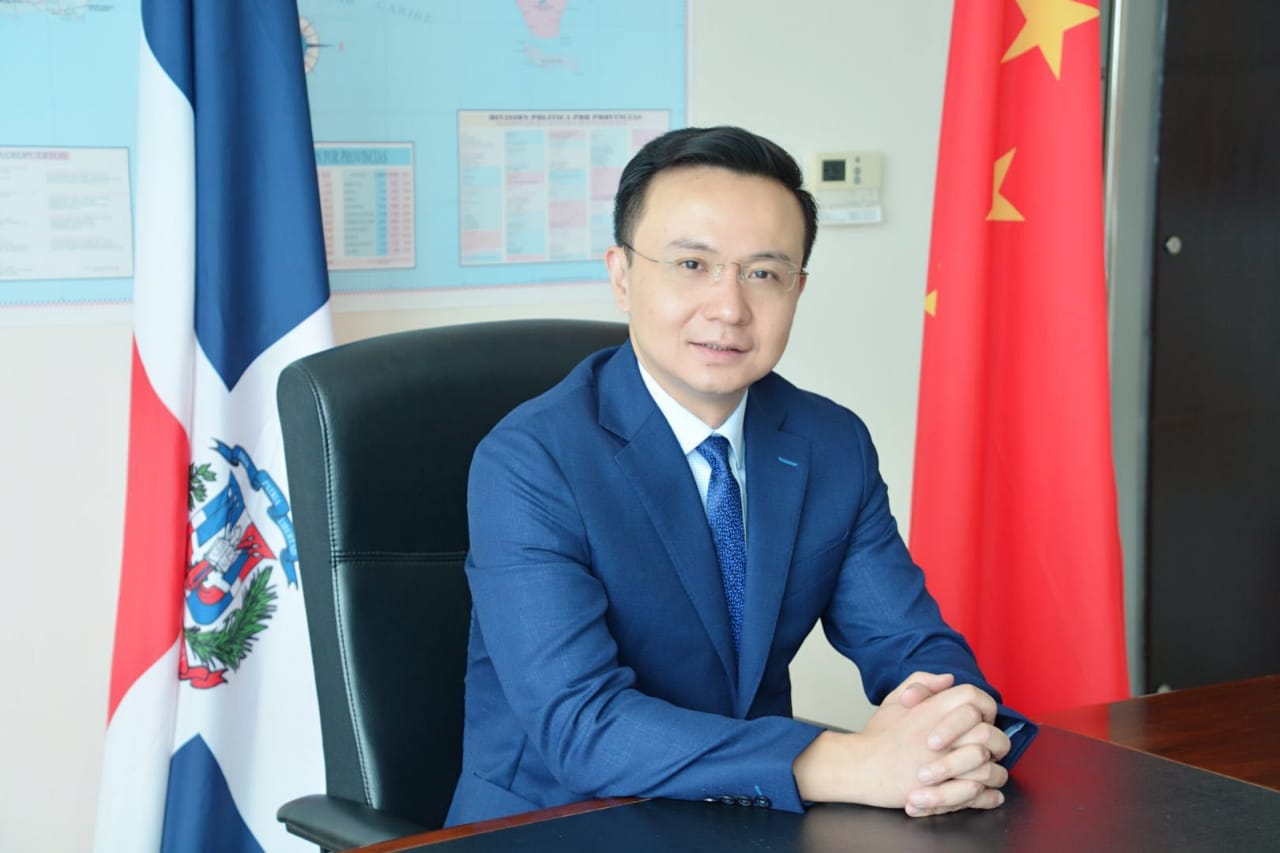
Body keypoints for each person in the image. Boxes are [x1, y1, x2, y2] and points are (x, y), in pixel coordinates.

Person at [445, 126, 1036, 827]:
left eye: (763, 273)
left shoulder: (829, 443)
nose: (729, 308)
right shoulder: (532, 460)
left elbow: (910, 644)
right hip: (559, 824)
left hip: (748, 819)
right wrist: (847, 762)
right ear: (622, 274)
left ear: (797, 289)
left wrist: (951, 735)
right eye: (692, 264)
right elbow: (583, 725)